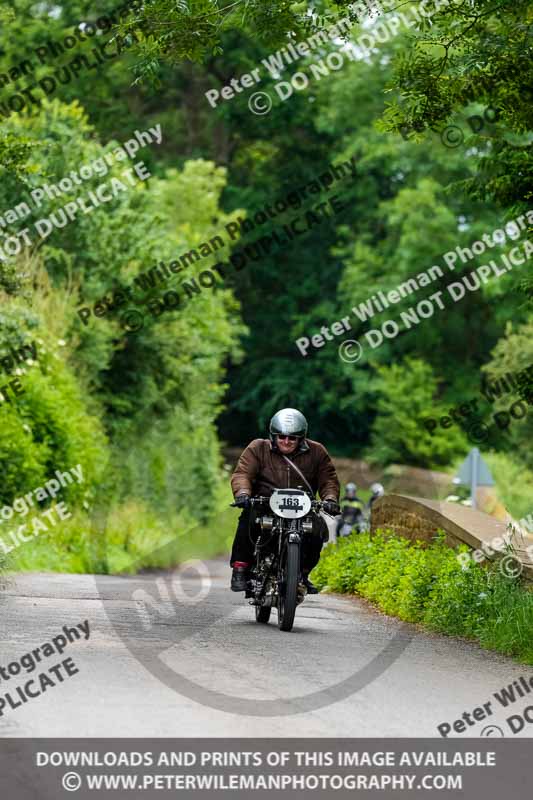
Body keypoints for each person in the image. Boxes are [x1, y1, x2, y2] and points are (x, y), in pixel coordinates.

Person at [230, 408, 340, 594]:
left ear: (301, 438)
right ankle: (240, 569)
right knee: (249, 518)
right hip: (265, 504)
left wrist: (330, 499)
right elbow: (243, 473)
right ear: (273, 435)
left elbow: (328, 479)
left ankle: (302, 574)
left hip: (303, 508)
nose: (286, 442)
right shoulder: (258, 448)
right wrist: (243, 493)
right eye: (281, 437)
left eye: (292, 438)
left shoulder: (317, 452)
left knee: (317, 529)